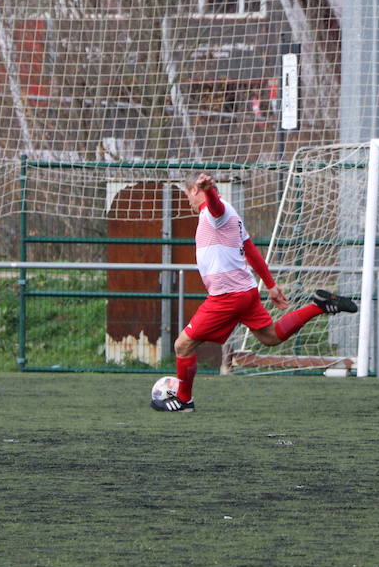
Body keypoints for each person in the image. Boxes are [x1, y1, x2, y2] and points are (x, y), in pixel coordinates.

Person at [150, 172, 356, 412]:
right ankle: (319, 305)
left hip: (227, 296)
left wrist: (209, 191)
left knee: (182, 345)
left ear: (195, 191)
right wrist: (270, 284)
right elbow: (249, 249)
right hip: (244, 291)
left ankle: (184, 400)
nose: (188, 202)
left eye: (188, 195)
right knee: (271, 336)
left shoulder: (215, 212)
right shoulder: (231, 215)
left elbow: (215, 208)